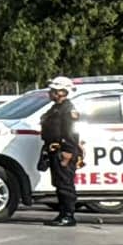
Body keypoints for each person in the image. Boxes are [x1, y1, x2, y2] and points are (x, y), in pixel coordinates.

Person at [39, 76, 81, 227]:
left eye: (53, 90)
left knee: (65, 184)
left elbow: (71, 132)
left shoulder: (68, 110)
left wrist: (68, 151)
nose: (50, 93)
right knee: (59, 183)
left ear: (62, 92)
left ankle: (68, 215)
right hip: (55, 150)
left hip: (64, 151)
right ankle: (63, 213)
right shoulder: (56, 108)